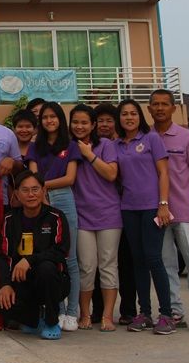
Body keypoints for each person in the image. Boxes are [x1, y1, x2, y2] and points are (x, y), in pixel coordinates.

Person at [149, 90, 189, 333]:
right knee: (166, 265)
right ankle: (174, 311)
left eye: (164, 104)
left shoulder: (187, 137)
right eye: (155, 104)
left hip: (185, 211)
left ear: (173, 108)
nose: (160, 108)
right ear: (149, 108)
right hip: (157, 213)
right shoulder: (146, 137)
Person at [111, 98, 174, 335]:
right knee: (137, 261)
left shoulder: (151, 139)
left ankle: (166, 315)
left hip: (152, 207)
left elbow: (164, 173)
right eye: (124, 114)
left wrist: (163, 204)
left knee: (153, 258)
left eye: (133, 113)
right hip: (128, 208)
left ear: (140, 116)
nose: (129, 117)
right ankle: (144, 313)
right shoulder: (116, 145)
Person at [0, 170, 70, 341]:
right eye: (25, 190)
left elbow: (61, 251)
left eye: (35, 189)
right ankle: (34, 319)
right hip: (22, 279)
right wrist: (6, 284)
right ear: (16, 193)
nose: (31, 194)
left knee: (46, 268)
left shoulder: (55, 217)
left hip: (53, 279)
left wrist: (29, 260)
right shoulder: (9, 219)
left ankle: (51, 321)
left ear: (43, 190)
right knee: (2, 306)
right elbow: (3, 255)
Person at [26, 101, 80, 332]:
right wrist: (41, 194)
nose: (49, 120)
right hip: (41, 201)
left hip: (64, 198)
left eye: (53, 116)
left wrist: (43, 186)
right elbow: (32, 175)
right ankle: (57, 309)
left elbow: (70, 178)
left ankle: (72, 312)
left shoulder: (71, 145)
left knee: (70, 258)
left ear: (60, 119)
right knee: (49, 258)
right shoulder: (34, 146)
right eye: (45, 117)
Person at [69, 104, 120, 332]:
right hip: (81, 215)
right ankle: (85, 314)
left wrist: (89, 155)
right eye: (75, 122)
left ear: (93, 125)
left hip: (109, 213)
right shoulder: (68, 147)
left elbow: (111, 174)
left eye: (84, 122)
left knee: (108, 265)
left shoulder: (106, 145)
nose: (79, 126)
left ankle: (108, 316)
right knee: (86, 267)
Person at [95, 101, 135, 325]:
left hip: (126, 208)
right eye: (100, 120)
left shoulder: (123, 145)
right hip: (101, 213)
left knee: (125, 262)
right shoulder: (90, 146)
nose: (104, 124)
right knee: (98, 264)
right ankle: (98, 310)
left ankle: (129, 309)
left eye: (109, 120)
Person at [8, 109, 38, 209]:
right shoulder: (8, 150)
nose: (24, 130)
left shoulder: (40, 150)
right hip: (14, 201)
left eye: (28, 126)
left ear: (35, 129)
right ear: (13, 129)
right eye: (20, 126)